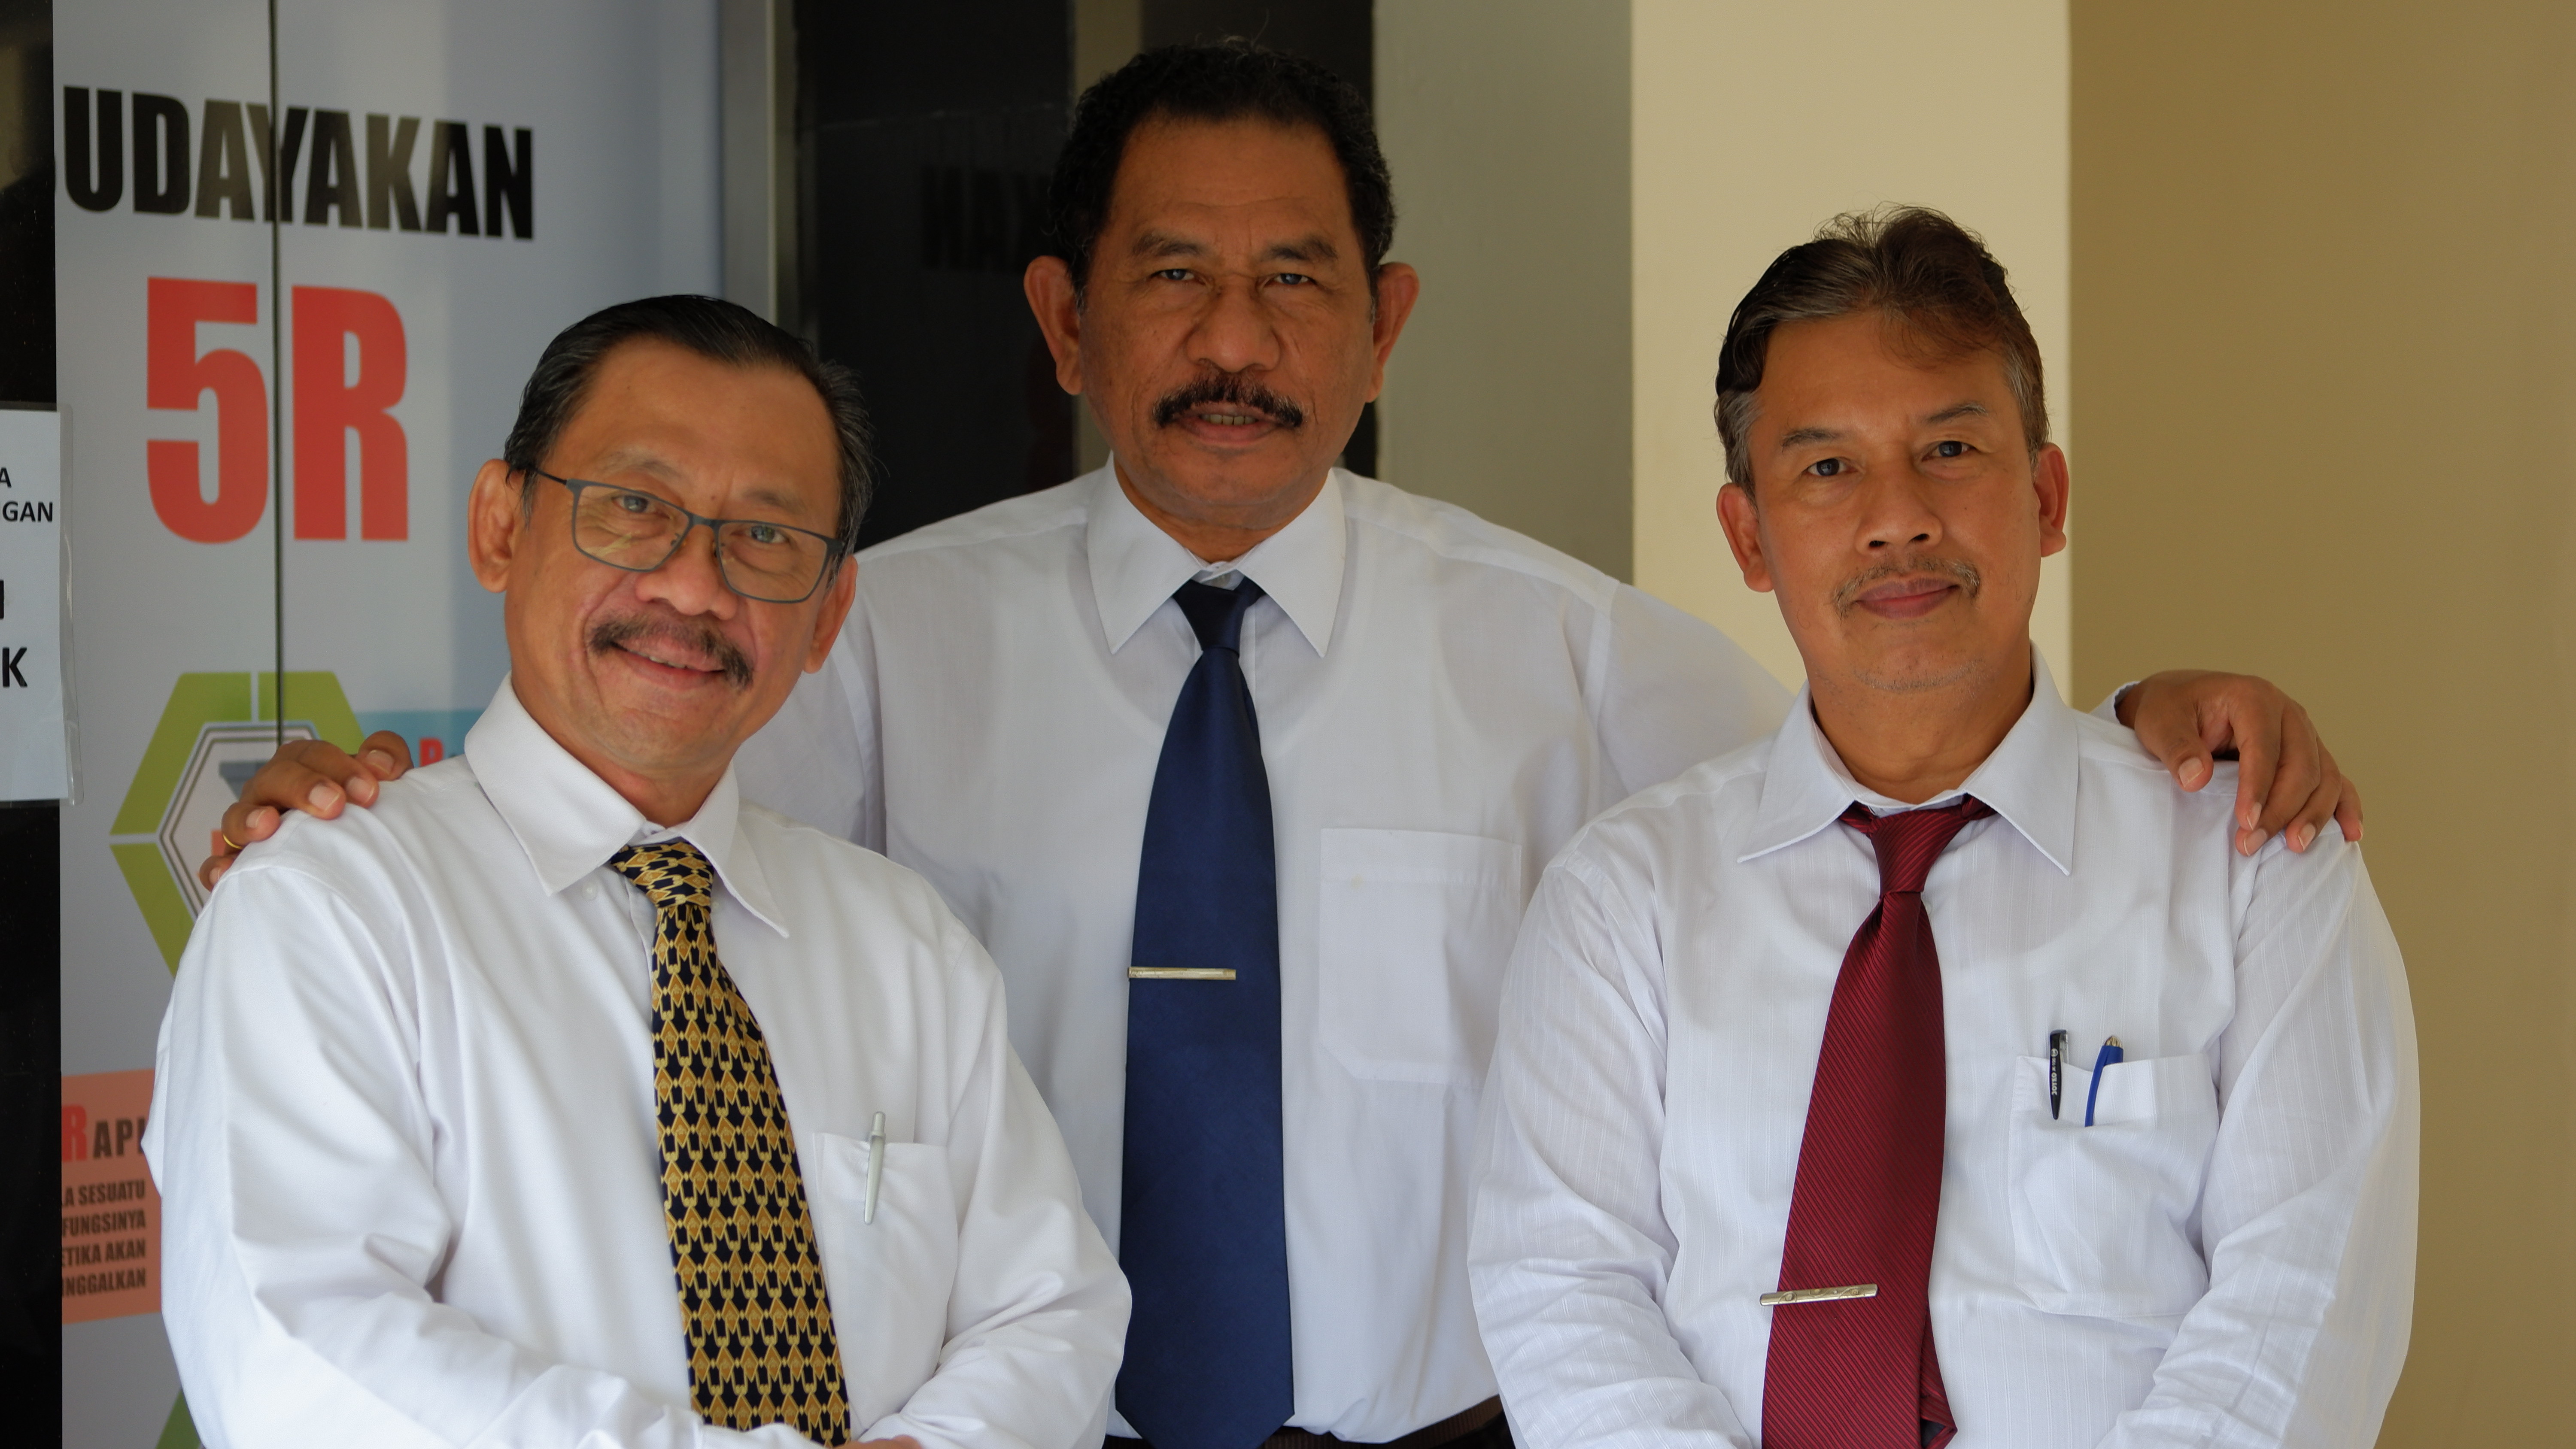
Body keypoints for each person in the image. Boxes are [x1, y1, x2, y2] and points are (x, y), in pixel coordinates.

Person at [201, 43, 2362, 1449]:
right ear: (1065, 319)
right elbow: (634, 801)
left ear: (1384, 323)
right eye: (1170, 278)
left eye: (1299, 283)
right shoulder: (864, 629)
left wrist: (2146, 729)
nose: (1234, 342)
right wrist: (333, 804)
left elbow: (1882, 794)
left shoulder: (1597, 662)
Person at [1468, 208, 2416, 1449]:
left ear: (2048, 496)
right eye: (1826, 469)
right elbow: (1564, 1288)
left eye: (1952, 449)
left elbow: (2305, 1301)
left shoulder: (2252, 861)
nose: (1898, 517)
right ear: (1750, 536)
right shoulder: (1623, 899)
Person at [146, 297, 1129, 1449]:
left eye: (766, 536)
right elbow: (301, 1359)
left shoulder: (901, 942)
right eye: (634, 507)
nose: (696, 588)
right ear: (501, 527)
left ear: (827, 616)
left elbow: (1049, 1310)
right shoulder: (331, 908)